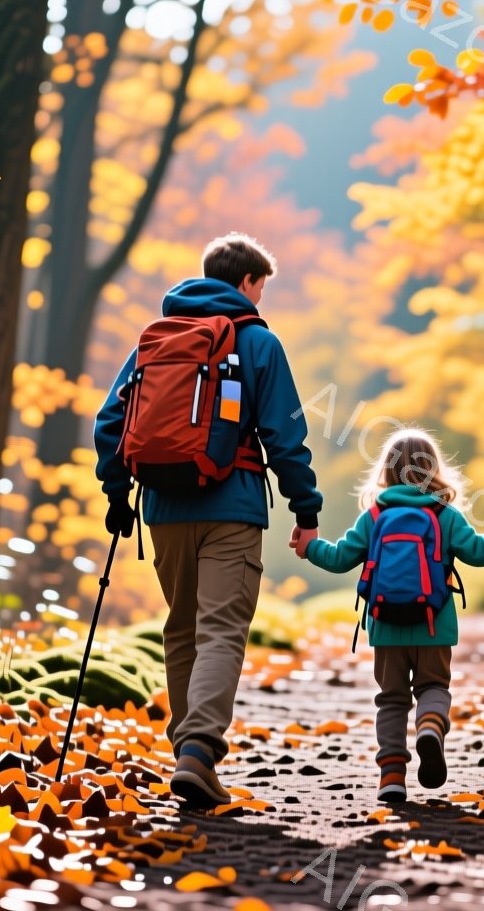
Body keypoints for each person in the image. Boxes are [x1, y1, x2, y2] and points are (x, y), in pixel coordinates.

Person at [95, 233, 322, 807]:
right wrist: (306, 507)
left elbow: (110, 421)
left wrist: (118, 495)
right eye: (261, 288)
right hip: (233, 506)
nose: (261, 300)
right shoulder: (258, 342)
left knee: (182, 628)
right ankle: (198, 750)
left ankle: (185, 754)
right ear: (247, 283)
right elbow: (284, 435)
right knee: (221, 629)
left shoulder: (157, 339)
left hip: (163, 510)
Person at [304, 429, 484, 803]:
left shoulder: (374, 516)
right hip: (433, 625)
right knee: (433, 688)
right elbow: (479, 551)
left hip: (386, 627)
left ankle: (392, 776)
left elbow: (340, 557)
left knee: (391, 700)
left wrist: (309, 546)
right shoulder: (444, 515)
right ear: (434, 470)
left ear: (386, 473)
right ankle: (429, 726)